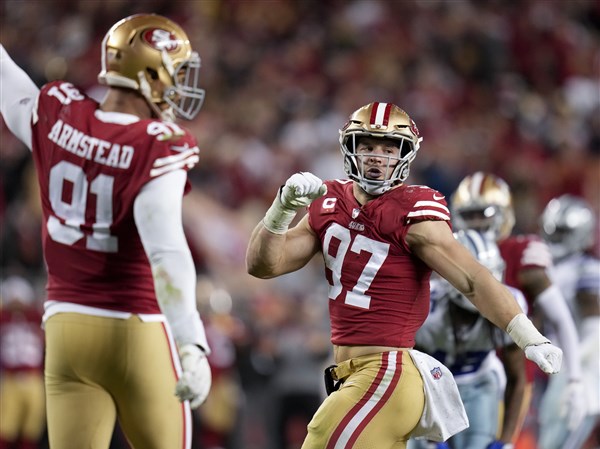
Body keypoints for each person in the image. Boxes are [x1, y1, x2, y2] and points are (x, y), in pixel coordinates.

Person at [245, 102, 563, 449]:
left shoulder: (415, 211)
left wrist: (528, 335)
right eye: (367, 145)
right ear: (350, 148)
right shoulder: (329, 201)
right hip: (352, 376)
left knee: (322, 440)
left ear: (405, 154)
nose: (377, 157)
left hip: (386, 373)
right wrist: (282, 208)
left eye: (389, 148)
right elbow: (264, 265)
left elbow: (472, 278)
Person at [0, 13, 211, 449]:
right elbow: (166, 249)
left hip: (64, 328)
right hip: (135, 327)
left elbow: (8, 83)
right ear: (151, 73)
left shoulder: (59, 113)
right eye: (176, 74)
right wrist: (191, 341)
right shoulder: (157, 142)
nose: (178, 88)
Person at [450, 173, 586, 436]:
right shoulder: (449, 252)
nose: (477, 223)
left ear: (504, 214)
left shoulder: (523, 254)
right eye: (470, 215)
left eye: (484, 213)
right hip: (458, 373)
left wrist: (575, 379)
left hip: (512, 376)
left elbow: (561, 318)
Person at [408, 230, 528, 449]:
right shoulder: (426, 311)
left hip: (479, 385)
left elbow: (517, 378)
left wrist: (508, 441)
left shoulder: (510, 309)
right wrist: (428, 434)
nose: (488, 289)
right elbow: (412, 378)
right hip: (430, 389)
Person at [537, 195, 600, 449]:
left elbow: (595, 329)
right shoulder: (546, 266)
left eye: (563, 232)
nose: (556, 238)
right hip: (555, 367)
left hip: (581, 372)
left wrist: (567, 363)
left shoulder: (586, 269)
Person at [0, 276, 46, 449]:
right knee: (6, 428)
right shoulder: (3, 318)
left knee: (32, 429)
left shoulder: (35, 317)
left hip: (33, 378)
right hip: (10, 379)